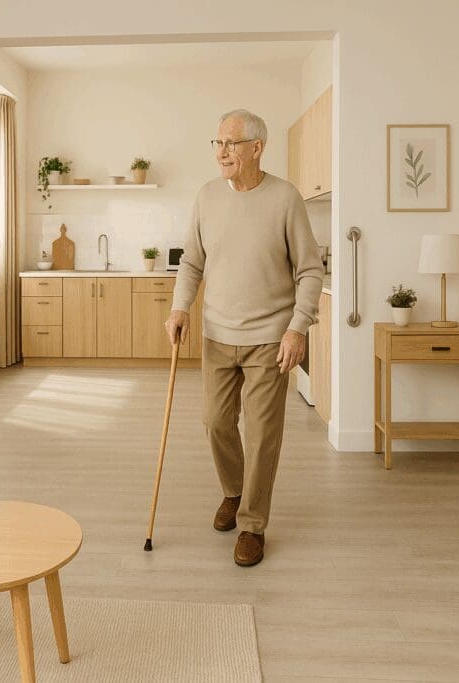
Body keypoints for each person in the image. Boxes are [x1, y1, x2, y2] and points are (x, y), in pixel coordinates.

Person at [166, 108, 324, 567]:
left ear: (257, 147)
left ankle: (253, 524)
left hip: (270, 338)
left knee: (261, 434)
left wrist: (298, 327)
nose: (223, 152)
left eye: (232, 143)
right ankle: (234, 493)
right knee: (215, 422)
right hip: (218, 334)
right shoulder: (207, 197)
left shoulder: (286, 198)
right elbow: (192, 262)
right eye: (217, 143)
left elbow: (310, 270)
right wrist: (181, 306)